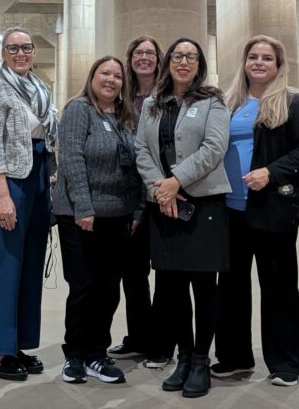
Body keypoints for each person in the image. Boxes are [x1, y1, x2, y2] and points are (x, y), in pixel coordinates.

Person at [213, 35, 299, 387]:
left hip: (272, 209)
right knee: (231, 289)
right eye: (253, 57)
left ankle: (286, 363)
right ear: (244, 63)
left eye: (267, 58)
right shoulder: (229, 104)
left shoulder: (293, 102)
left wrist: (271, 173)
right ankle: (234, 357)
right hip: (230, 210)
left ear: (278, 65)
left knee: (279, 288)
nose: (259, 62)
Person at [135, 37, 230, 399]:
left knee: (204, 287)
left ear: (199, 64)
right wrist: (162, 189)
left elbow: (214, 147)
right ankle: (184, 357)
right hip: (163, 203)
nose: (184, 62)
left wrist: (177, 181)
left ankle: (201, 360)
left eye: (191, 57)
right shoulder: (152, 104)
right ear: (168, 62)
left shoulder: (212, 100)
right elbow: (142, 149)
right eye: (177, 55)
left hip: (203, 204)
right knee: (172, 287)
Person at [53, 56, 142, 384]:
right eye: (105, 73)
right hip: (79, 215)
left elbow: (136, 166)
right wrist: (84, 207)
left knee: (108, 288)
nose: (111, 80)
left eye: (117, 76)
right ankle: (75, 354)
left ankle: (97, 354)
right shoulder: (79, 109)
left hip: (118, 216)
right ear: (93, 77)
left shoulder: (127, 116)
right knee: (84, 286)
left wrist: (137, 210)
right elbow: (71, 158)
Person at [0, 27, 57, 381]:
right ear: (4, 52)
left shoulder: (40, 88)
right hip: (8, 179)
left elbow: (47, 133)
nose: (20, 53)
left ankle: (18, 343)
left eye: (26, 47)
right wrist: (2, 195)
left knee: (29, 264)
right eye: (13, 48)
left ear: (34, 51)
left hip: (37, 174)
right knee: (5, 264)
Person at [109, 36, 172, 369]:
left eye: (150, 53)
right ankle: (139, 337)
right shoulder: (121, 97)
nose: (144, 58)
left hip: (161, 193)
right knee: (132, 274)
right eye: (138, 53)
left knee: (165, 274)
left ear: (158, 59)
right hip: (128, 196)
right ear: (130, 58)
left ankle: (161, 342)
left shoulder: (168, 95)